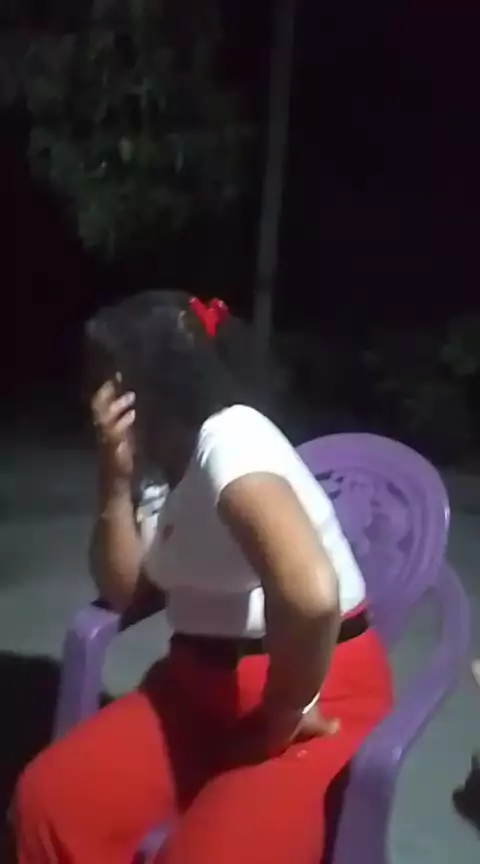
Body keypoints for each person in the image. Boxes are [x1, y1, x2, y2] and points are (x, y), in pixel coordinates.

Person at [13, 291, 393, 864]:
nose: (92, 397)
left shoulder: (232, 438)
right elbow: (122, 589)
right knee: (51, 805)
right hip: (195, 686)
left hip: (313, 687)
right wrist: (114, 479)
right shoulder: (162, 469)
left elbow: (312, 597)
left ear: (141, 384)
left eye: (103, 379)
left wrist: (283, 711)